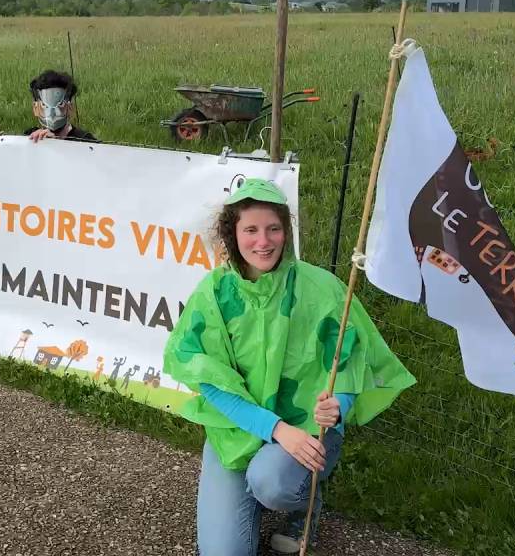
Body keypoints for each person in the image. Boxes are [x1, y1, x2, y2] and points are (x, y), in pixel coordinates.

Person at [162, 178, 415, 555]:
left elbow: (347, 365)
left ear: (287, 232)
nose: (263, 241)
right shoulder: (213, 293)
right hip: (236, 429)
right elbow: (211, 383)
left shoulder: (321, 289)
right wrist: (276, 430)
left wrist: (338, 406)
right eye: (251, 229)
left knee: (273, 483)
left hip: (305, 427)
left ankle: (304, 507)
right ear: (232, 233)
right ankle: (256, 489)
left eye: (273, 229)